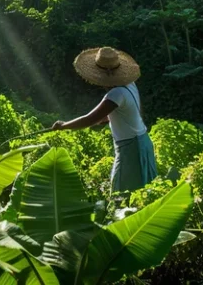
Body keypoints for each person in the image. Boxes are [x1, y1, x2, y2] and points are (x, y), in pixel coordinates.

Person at [51, 46, 157, 193]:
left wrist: (63, 126)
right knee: (141, 191)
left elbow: (89, 119)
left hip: (131, 147)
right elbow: (125, 112)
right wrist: (104, 118)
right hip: (142, 141)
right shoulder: (129, 85)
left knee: (122, 193)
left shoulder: (116, 94)